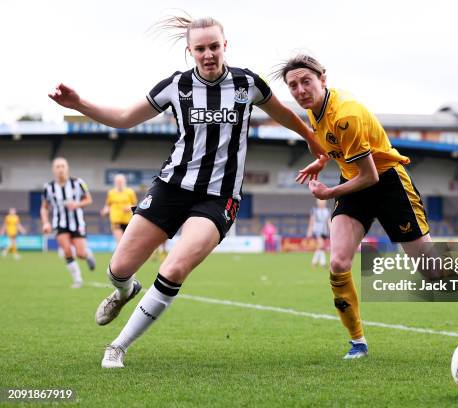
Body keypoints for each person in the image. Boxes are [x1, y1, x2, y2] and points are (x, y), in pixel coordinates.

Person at [48, 16, 323, 369]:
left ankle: (117, 346)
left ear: (226, 45)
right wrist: (79, 104)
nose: (208, 54)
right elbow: (124, 117)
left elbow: (284, 114)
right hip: (171, 187)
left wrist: (313, 141)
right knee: (118, 268)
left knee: (175, 267)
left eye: (214, 46)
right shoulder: (176, 87)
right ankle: (125, 291)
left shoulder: (247, 83)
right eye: (200, 48)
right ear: (189, 50)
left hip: (219, 197)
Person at [274, 54, 458, 359]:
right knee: (339, 264)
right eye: (293, 85)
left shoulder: (346, 115)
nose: (300, 90)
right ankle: (358, 343)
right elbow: (333, 145)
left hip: (387, 184)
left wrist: (329, 193)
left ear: (323, 79)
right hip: (355, 182)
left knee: (431, 271)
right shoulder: (315, 111)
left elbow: (369, 175)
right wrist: (320, 161)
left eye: (306, 81)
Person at [40, 158, 97, 288]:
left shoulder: (78, 183)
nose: (60, 169)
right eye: (57, 166)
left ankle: (87, 255)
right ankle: (78, 280)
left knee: (80, 254)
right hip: (59, 223)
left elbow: (89, 200)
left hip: (77, 223)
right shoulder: (48, 187)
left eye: (63, 166)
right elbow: (44, 207)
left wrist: (77, 204)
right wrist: (45, 223)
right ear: (53, 170)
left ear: (67, 168)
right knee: (66, 250)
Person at [100, 174, 138, 246]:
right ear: (114, 182)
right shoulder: (111, 193)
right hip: (115, 220)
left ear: (124, 182)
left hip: (127, 220)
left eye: (121, 181)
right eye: (117, 181)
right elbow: (108, 205)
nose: (119, 183)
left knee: (128, 242)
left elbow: (135, 206)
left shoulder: (130, 192)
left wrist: (129, 207)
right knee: (120, 243)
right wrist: (105, 210)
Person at [306, 199, 331, 267]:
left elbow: (329, 221)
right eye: (320, 203)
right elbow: (312, 221)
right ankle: (321, 263)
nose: (321, 204)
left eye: (323, 202)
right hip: (317, 229)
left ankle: (316, 262)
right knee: (321, 244)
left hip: (324, 230)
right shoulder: (314, 210)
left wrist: (331, 229)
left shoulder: (328, 211)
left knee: (321, 246)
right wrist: (309, 231)